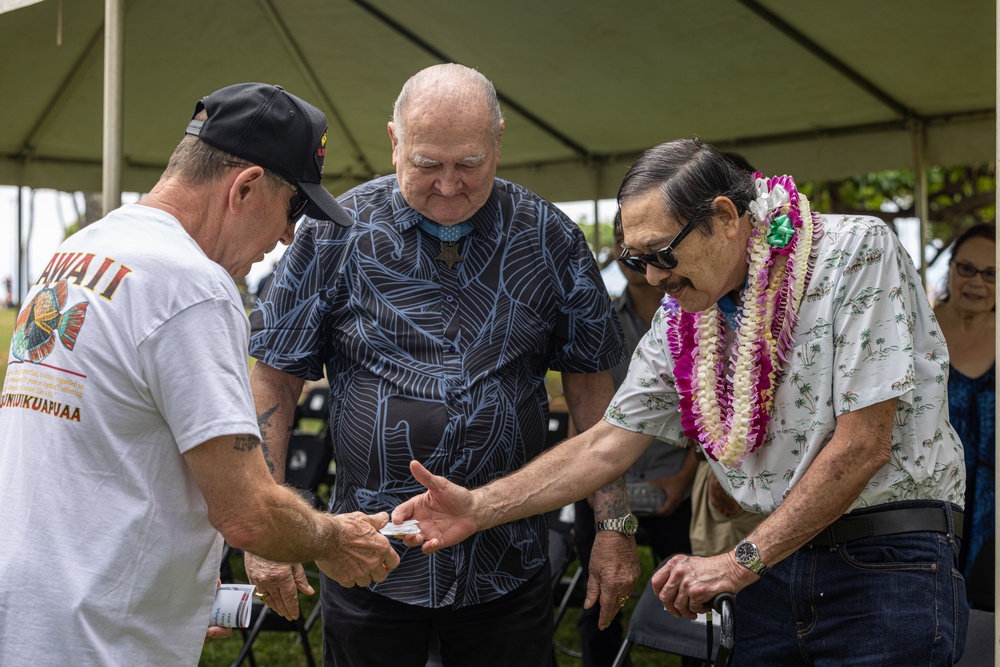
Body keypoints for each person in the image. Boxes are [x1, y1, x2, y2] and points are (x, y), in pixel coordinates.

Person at [395, 138, 970, 665]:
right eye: (635, 260)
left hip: (883, 560)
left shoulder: (853, 251)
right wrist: (477, 509)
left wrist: (738, 560)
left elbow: (863, 445)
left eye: (661, 255)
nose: (649, 277)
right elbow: (605, 444)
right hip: (769, 562)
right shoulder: (683, 317)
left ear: (723, 217)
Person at [246, 63, 633, 667]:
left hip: (506, 559)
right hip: (367, 557)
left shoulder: (549, 239)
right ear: (395, 142)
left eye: (469, 164)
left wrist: (615, 526)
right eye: (428, 164)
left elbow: (592, 387)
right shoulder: (332, 236)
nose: (449, 185)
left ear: (499, 142)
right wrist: (270, 528)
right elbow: (273, 377)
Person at [0, 82, 400, 666]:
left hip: (34, 609)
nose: (289, 235)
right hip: (100, 640)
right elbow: (247, 512)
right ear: (246, 187)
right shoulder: (191, 286)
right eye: (293, 208)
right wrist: (334, 540)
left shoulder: (83, 249)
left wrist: (176, 584)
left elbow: (103, 446)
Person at [573, 210, 698, 667]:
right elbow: (583, 412)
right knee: (597, 598)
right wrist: (592, 486)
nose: (635, 251)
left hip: (674, 476)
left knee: (692, 597)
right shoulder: (599, 317)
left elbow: (712, 414)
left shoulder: (698, 316)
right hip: (608, 480)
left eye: (647, 241)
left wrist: (685, 480)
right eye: (625, 240)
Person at [933, 223, 995, 605]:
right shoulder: (918, 329)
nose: (977, 282)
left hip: (993, 500)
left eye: (991, 274)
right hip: (933, 498)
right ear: (951, 269)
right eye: (967, 268)